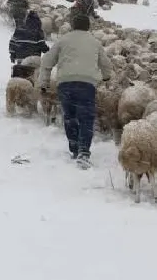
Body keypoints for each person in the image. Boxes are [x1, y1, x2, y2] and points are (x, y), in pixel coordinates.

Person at [36, 14, 113, 166]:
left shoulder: (63, 40)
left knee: (70, 116)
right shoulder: (95, 42)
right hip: (87, 85)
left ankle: (75, 149)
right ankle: (84, 152)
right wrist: (106, 77)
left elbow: (46, 61)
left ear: (72, 25)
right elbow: (106, 64)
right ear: (88, 27)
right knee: (86, 118)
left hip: (66, 84)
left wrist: (44, 82)